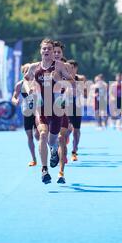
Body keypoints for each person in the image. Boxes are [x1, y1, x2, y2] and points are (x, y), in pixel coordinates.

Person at [24, 39, 74, 185]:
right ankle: (44, 170)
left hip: (57, 109)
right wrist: (30, 90)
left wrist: (59, 80)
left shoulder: (60, 66)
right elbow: (25, 81)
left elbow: (72, 83)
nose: (46, 51)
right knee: (42, 134)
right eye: (44, 49)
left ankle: (54, 150)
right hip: (41, 108)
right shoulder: (34, 67)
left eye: (49, 49)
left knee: (53, 140)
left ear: (53, 52)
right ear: (40, 51)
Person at [12, 64, 39, 167]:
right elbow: (14, 97)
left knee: (38, 135)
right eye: (25, 71)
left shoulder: (37, 83)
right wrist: (15, 101)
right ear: (23, 73)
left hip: (38, 112)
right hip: (27, 112)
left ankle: (45, 149)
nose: (28, 73)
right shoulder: (20, 84)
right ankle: (33, 158)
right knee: (29, 136)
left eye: (30, 71)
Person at [66, 60, 86, 161]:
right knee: (68, 129)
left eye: (71, 68)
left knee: (76, 130)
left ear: (75, 68)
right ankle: (63, 149)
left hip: (77, 106)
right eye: (68, 67)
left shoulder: (80, 78)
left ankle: (74, 151)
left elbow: (83, 93)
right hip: (66, 106)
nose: (69, 69)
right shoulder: (63, 78)